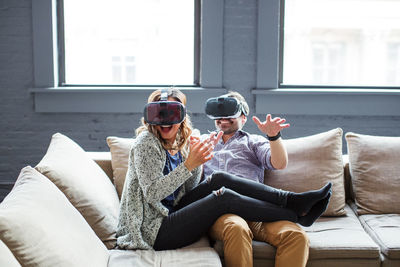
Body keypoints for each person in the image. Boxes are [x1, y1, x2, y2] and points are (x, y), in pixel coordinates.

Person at [116, 88, 332, 252]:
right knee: (223, 197)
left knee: (218, 178)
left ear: (182, 115)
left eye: (173, 112)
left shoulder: (180, 142)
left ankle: (292, 201)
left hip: (171, 214)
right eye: (160, 111)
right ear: (150, 114)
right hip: (152, 230)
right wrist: (189, 164)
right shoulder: (147, 142)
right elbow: (153, 193)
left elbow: (187, 189)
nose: (166, 119)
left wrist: (197, 160)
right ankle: (295, 211)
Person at [202, 91, 329, 267]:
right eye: (220, 113)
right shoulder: (202, 142)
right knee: (236, 229)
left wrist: (273, 136)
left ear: (243, 118)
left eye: (231, 114)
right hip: (223, 213)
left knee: (296, 236)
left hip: (258, 211)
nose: (224, 118)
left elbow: (279, 163)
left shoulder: (253, 141)